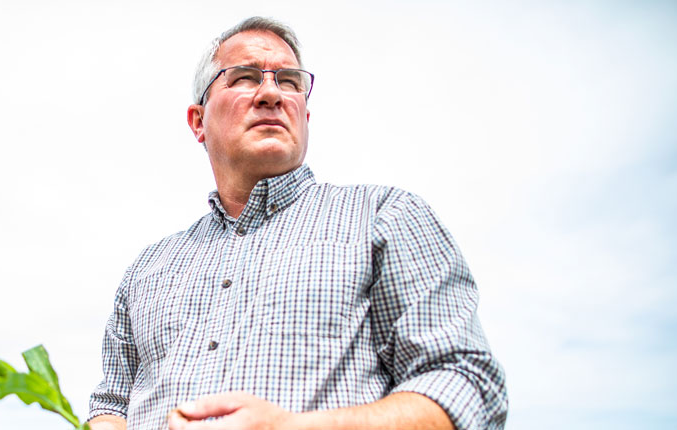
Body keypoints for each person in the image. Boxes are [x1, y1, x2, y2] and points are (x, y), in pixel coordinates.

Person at [88, 17, 508, 430]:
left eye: (289, 82)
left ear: (305, 112)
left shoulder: (384, 216)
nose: (272, 92)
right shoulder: (149, 268)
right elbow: (111, 403)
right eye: (245, 77)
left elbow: (468, 385)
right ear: (198, 121)